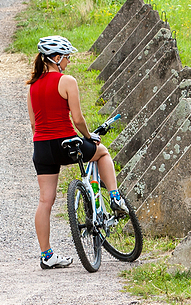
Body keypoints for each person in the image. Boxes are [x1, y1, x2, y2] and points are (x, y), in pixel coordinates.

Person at [27, 35, 126, 269]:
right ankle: (114, 197)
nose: (69, 62)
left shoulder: (32, 86)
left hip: (41, 148)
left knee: (45, 201)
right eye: (67, 57)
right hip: (66, 143)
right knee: (101, 153)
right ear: (57, 58)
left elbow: (33, 125)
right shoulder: (67, 81)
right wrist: (89, 136)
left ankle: (47, 255)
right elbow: (78, 118)